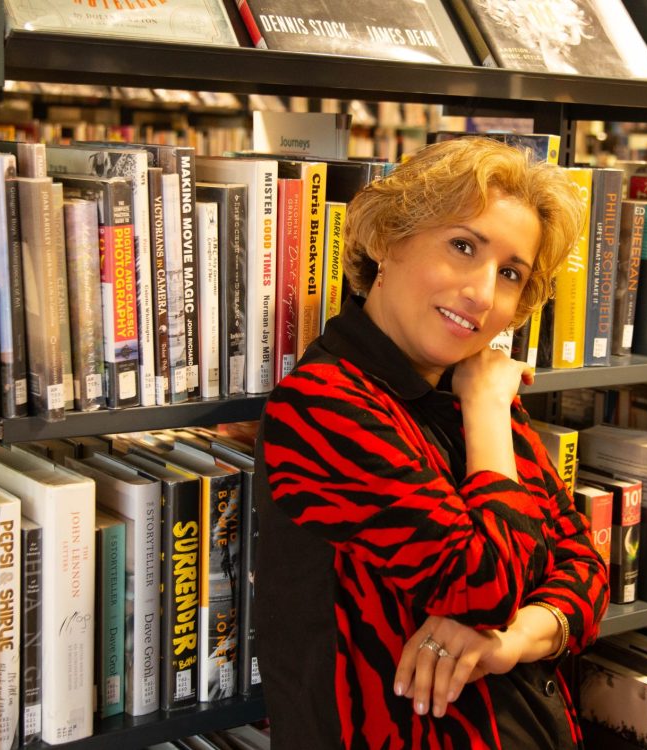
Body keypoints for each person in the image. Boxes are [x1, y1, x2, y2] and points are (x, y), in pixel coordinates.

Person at [254, 136, 610, 749]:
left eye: (509, 273)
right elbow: (484, 581)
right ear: (390, 240)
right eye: (463, 246)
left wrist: (508, 642)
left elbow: (588, 569)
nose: (480, 293)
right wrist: (488, 408)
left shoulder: (470, 386)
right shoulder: (324, 406)